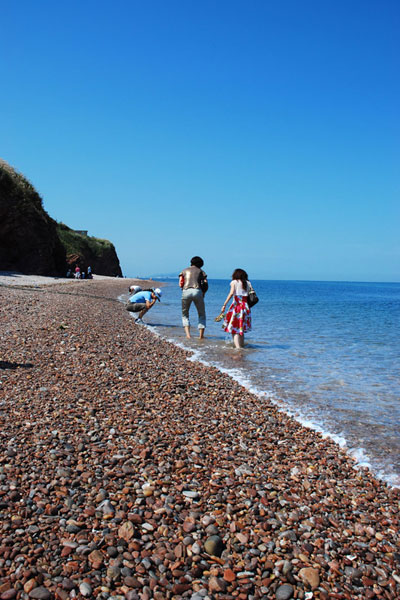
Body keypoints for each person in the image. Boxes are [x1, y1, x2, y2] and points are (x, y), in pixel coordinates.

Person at [221, 268, 252, 348]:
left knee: (234, 329)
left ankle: (238, 348)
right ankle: (241, 347)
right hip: (245, 307)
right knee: (241, 329)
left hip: (236, 307)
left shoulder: (234, 282)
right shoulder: (248, 283)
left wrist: (224, 304)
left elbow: (231, 293)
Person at [179, 256, 208, 339]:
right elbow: (205, 284)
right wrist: (203, 293)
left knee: (185, 314)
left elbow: (180, 283)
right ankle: (201, 336)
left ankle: (188, 335)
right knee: (201, 314)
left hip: (186, 291)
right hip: (197, 291)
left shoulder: (183, 271)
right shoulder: (201, 271)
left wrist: (184, 289)